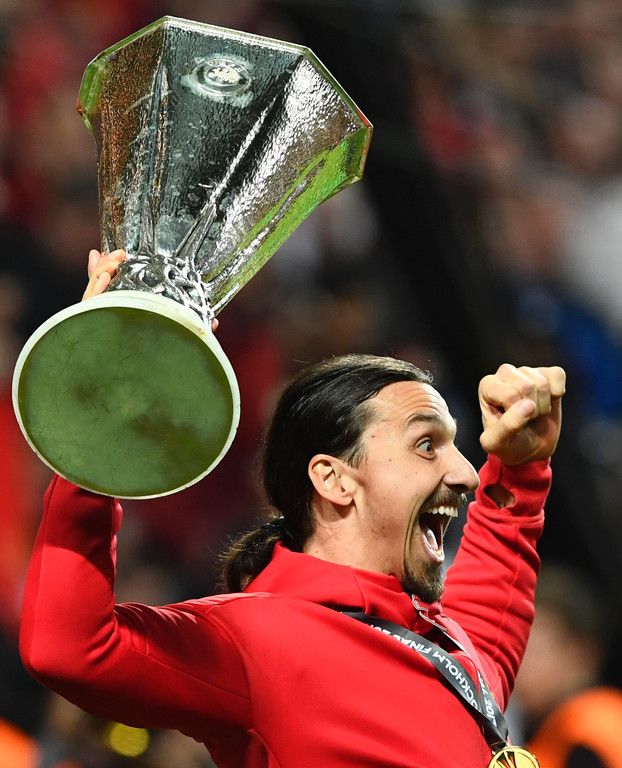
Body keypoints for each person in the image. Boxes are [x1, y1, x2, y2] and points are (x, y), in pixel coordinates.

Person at [19, 250, 566, 767]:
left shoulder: (450, 651)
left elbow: (489, 612)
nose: (467, 473)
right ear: (334, 479)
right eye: (427, 445)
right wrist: (95, 428)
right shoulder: (256, 643)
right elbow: (70, 647)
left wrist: (520, 469)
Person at [514, 564, 622, 768]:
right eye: (517, 650)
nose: (520, 666)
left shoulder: (590, 730)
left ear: (581, 654)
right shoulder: (555, 730)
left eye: (535, 651)